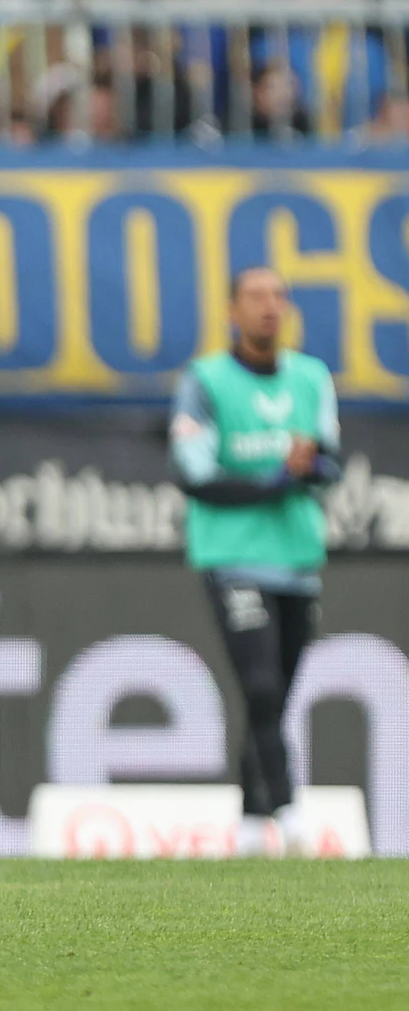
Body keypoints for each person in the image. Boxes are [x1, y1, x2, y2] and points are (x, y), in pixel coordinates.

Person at [170, 267, 342, 857]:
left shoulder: (312, 377)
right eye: (255, 297)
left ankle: (248, 825)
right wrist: (279, 478)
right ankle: (290, 814)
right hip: (233, 555)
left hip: (296, 557)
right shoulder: (205, 381)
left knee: (276, 694)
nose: (269, 307)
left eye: (277, 297)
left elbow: (329, 463)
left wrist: (310, 468)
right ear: (232, 310)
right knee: (261, 687)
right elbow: (197, 479)